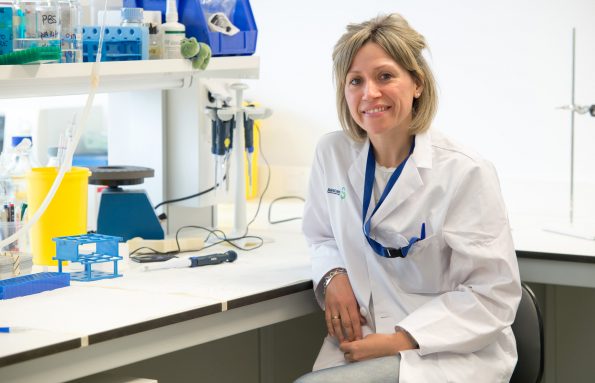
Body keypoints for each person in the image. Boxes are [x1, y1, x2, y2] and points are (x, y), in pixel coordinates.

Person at [295, 13, 521, 383]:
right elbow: (320, 235)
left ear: (416, 83)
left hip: (445, 352)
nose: (370, 93)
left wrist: (396, 342)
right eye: (356, 81)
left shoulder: (465, 172)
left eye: (385, 76)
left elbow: (491, 296)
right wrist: (333, 275)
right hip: (364, 341)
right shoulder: (332, 153)